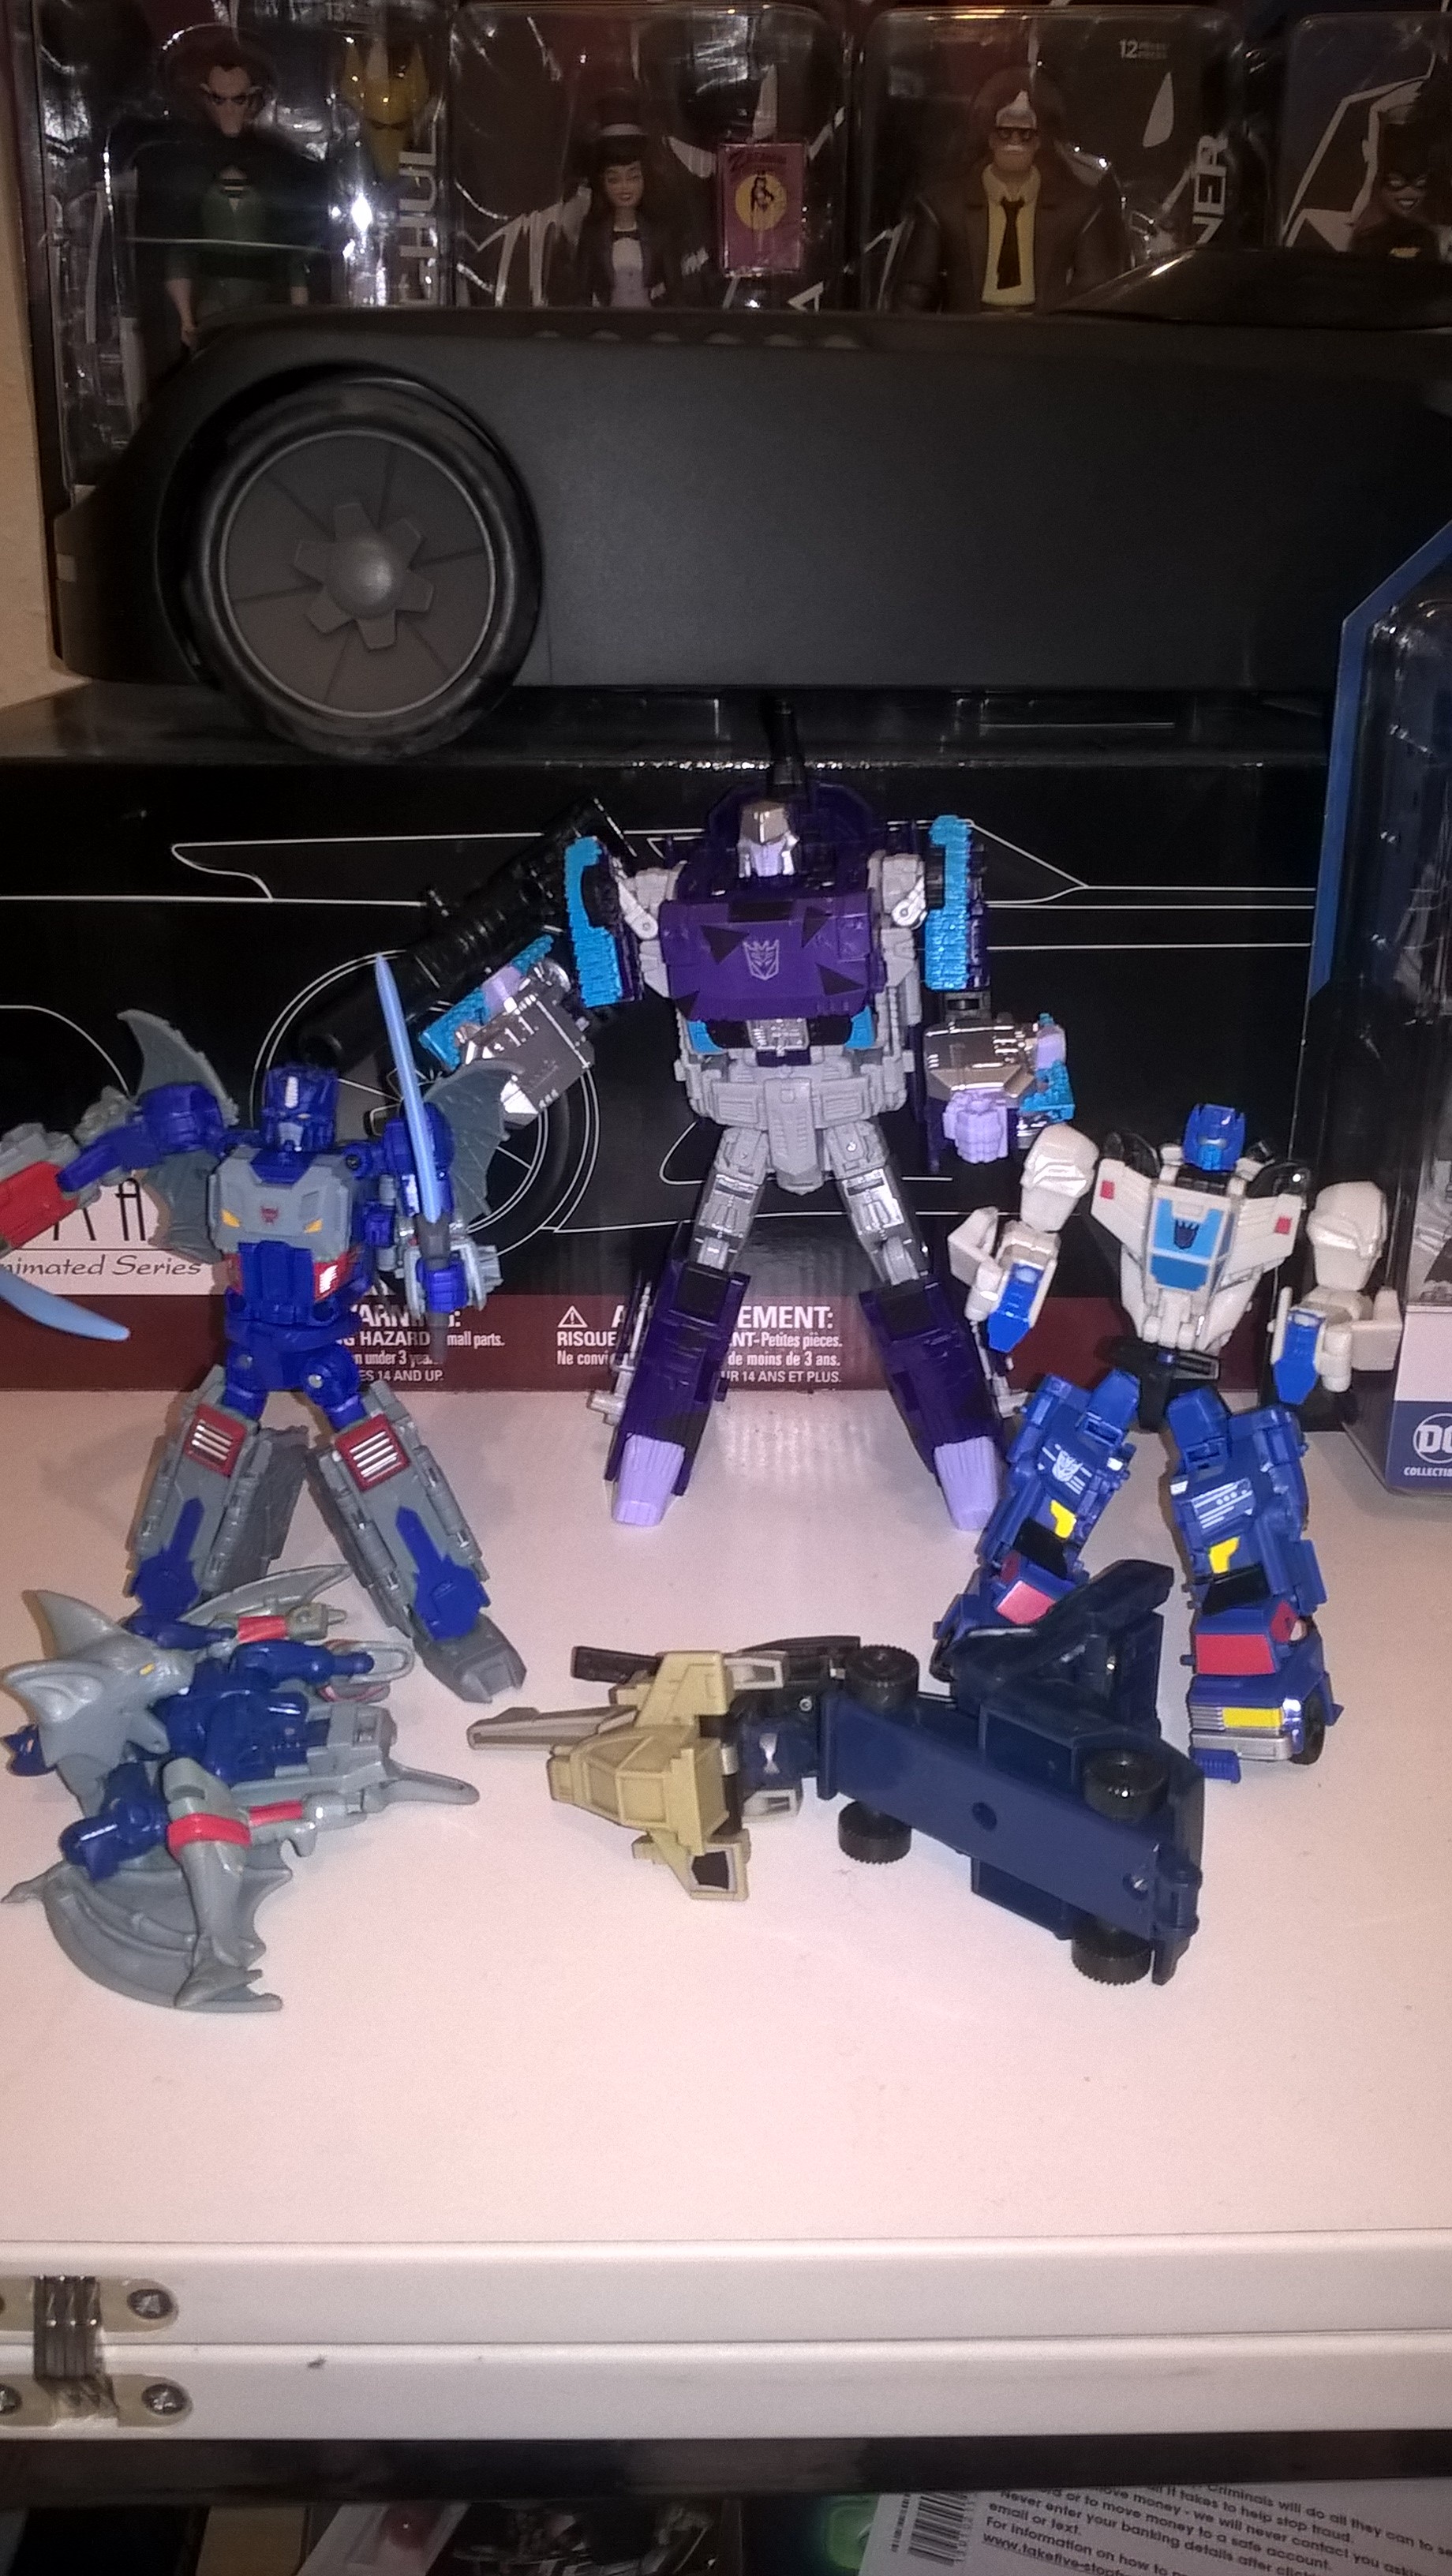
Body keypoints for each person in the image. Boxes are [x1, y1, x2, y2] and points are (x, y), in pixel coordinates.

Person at [888, 63, 1130, 314]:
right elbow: (913, 293)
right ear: (990, 138)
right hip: (967, 332)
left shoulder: (1079, 208)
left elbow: (1095, 293)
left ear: (1038, 141)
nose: (1015, 142)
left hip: (1046, 332)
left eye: (1025, 135)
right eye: (1005, 133)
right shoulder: (944, 206)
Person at [559, 111, 687, 309]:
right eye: (614, 180)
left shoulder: (660, 233)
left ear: (645, 179)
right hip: (609, 325)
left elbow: (676, 294)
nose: (624, 188)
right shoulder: (593, 236)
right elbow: (582, 295)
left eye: (633, 178)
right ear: (603, 184)